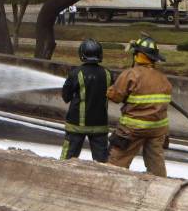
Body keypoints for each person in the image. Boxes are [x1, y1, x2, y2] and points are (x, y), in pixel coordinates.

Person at [106, 35, 173, 177]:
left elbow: (115, 97)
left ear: (137, 55)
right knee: (156, 165)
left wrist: (111, 88)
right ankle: (161, 186)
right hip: (157, 130)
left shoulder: (131, 74)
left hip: (132, 129)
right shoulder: (163, 79)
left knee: (116, 164)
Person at [60, 39, 112, 162]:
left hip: (76, 126)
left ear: (82, 54)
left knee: (67, 160)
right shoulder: (107, 74)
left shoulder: (76, 73)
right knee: (102, 163)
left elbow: (66, 97)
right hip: (100, 126)